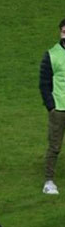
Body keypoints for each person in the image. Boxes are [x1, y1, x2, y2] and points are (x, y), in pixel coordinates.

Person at [40, 18, 65, 195]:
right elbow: (44, 83)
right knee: (55, 146)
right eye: (63, 31)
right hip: (59, 109)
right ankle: (49, 181)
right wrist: (51, 106)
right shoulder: (51, 54)